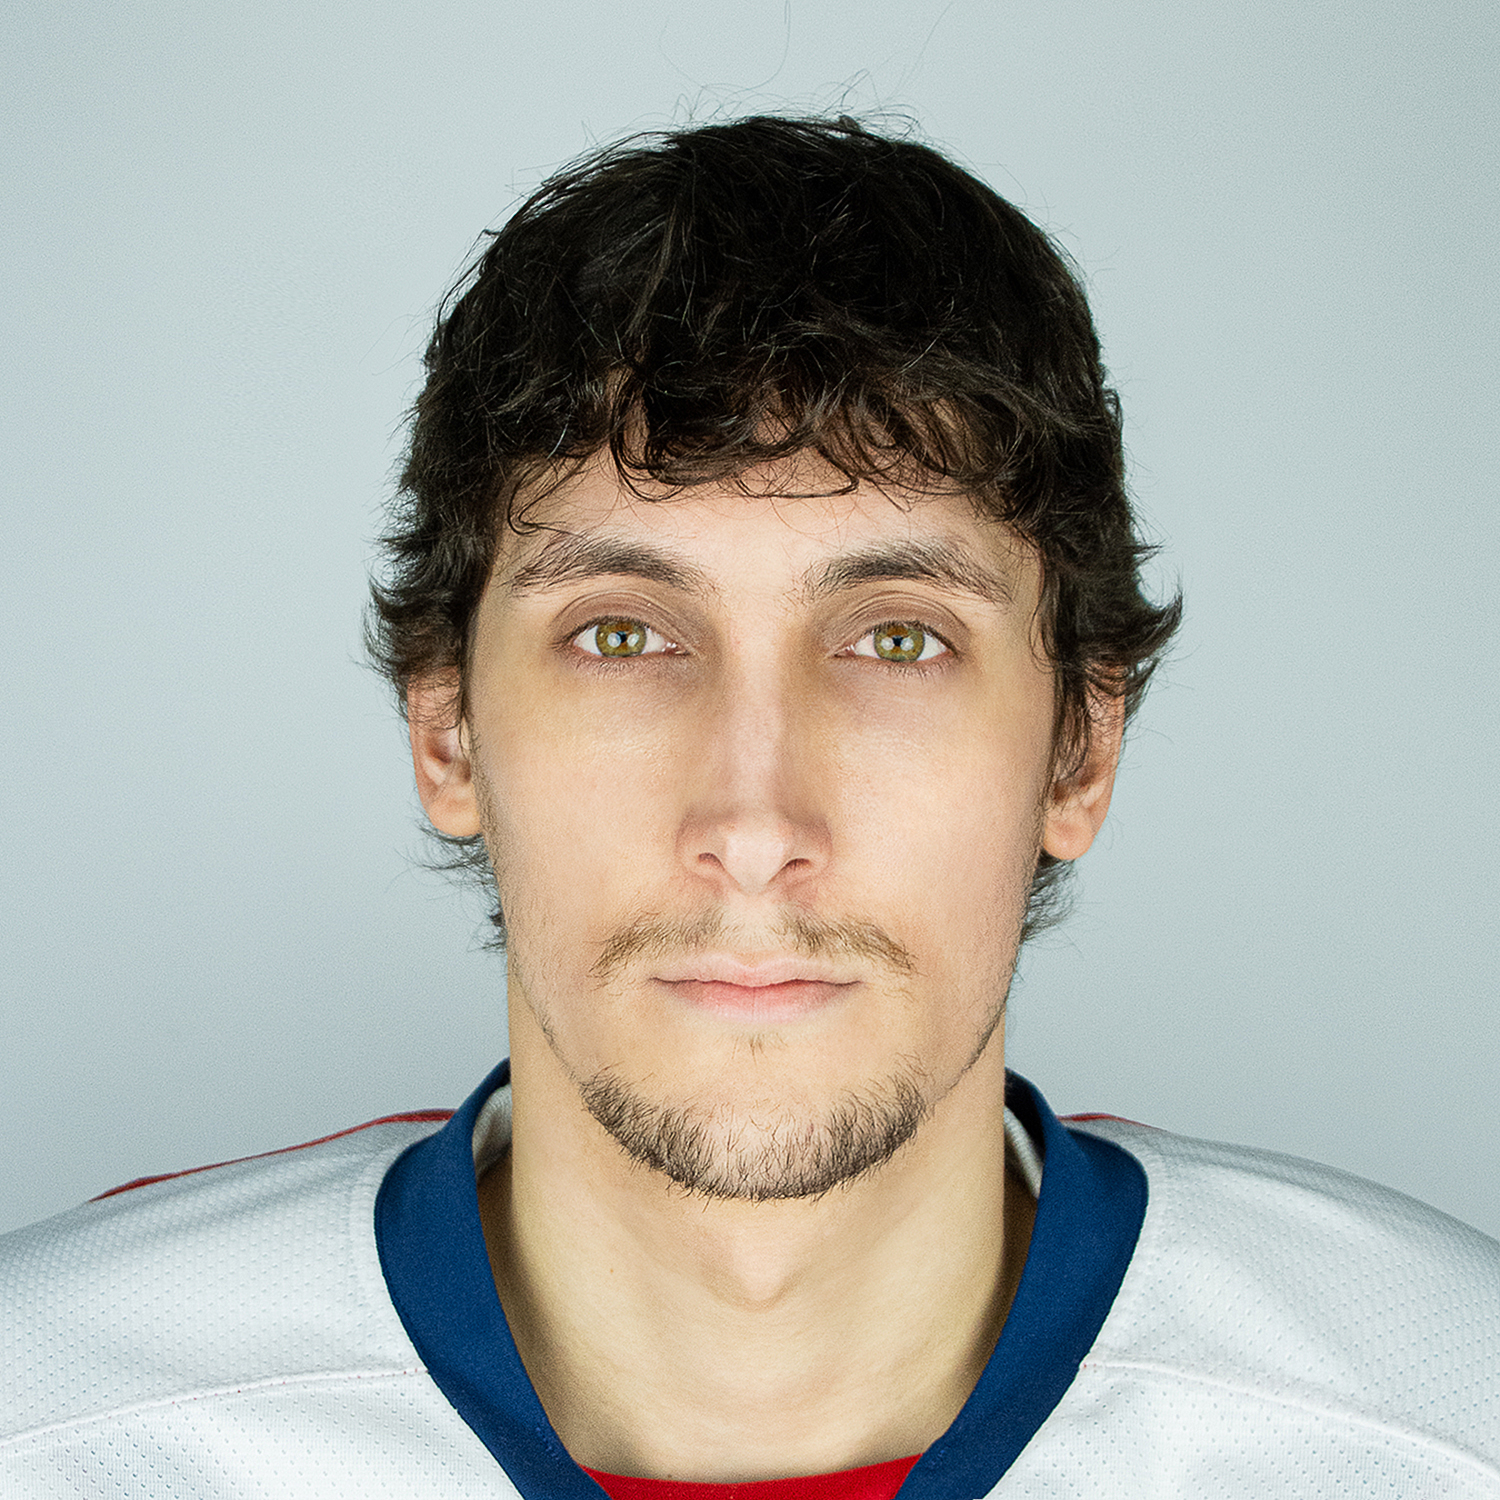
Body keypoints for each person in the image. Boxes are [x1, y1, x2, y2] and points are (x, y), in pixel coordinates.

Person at [2, 114, 1497, 1499]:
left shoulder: (1446, 1417)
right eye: (623, 635)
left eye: (897, 640)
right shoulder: (54, 1416)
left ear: (1079, 750)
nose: (757, 822)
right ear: (446, 727)